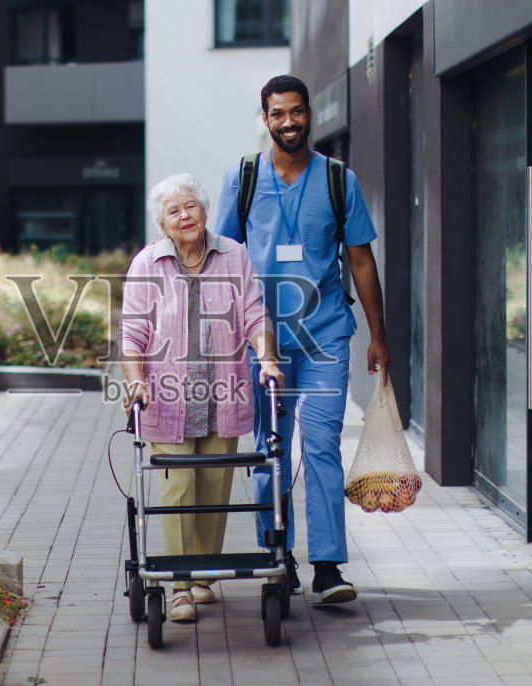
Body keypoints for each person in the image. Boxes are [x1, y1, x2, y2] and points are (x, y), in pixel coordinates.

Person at [214, 75, 390, 605]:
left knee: (320, 445)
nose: (288, 122)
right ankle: (278, 555)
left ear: (309, 114)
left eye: (296, 112)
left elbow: (361, 259)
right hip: (262, 342)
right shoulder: (243, 178)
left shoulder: (338, 179)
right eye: (277, 114)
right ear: (265, 119)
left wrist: (378, 336)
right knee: (269, 448)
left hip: (325, 337)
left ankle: (329, 567)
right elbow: (224, 260)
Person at [121, 173, 285, 624]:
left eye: (190, 206)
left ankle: (203, 575)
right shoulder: (147, 264)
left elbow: (254, 314)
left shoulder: (233, 254)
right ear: (162, 224)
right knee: (177, 489)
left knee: (214, 488)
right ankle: (179, 586)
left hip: (223, 395)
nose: (184, 216)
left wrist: (267, 359)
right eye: (173, 211)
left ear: (205, 210)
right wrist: (135, 381)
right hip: (168, 398)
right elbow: (132, 332)